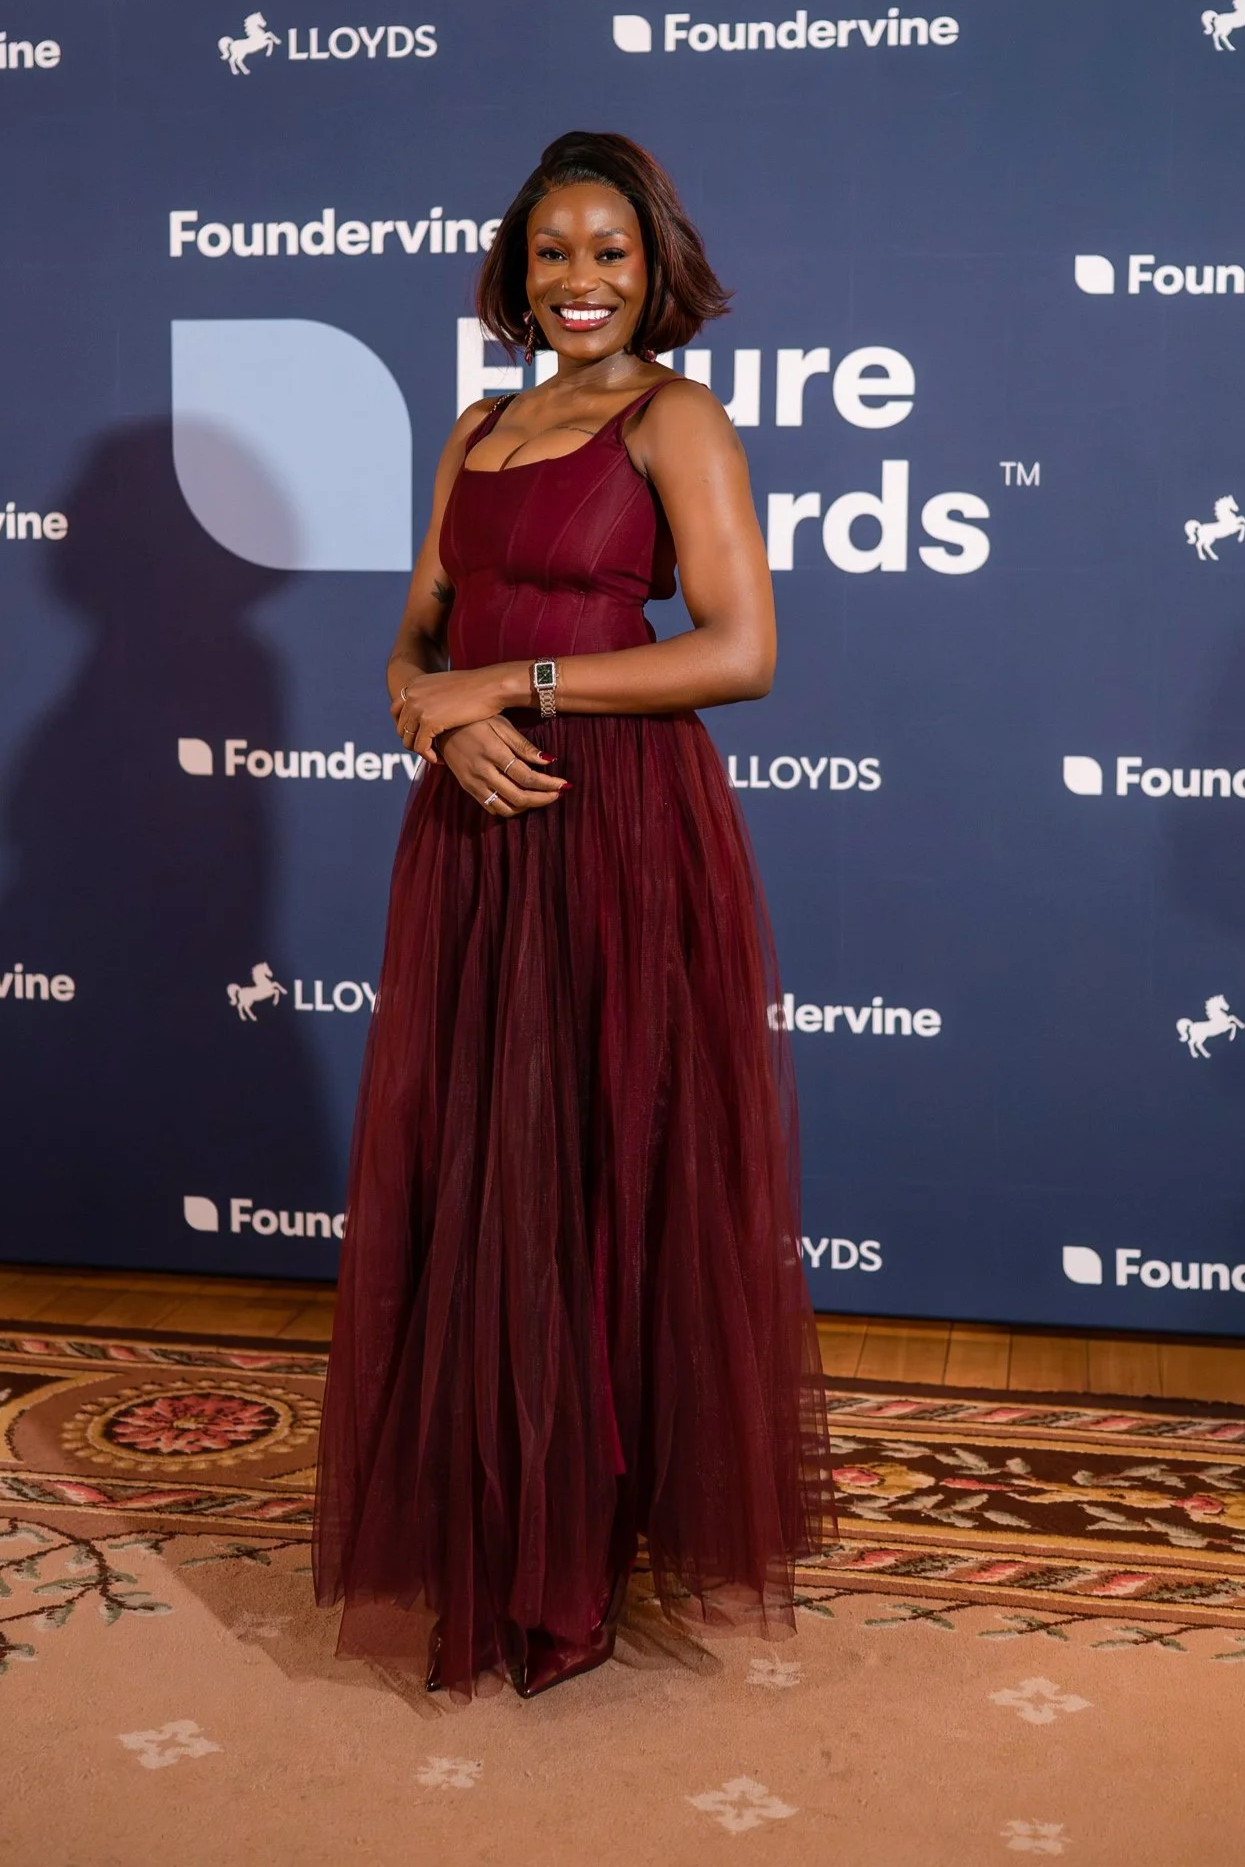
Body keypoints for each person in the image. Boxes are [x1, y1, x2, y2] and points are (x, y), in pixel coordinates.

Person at [313, 129, 832, 1701]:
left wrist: (516, 686)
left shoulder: (678, 417)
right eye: (554, 253)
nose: (582, 280)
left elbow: (740, 651)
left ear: (654, 264)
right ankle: (494, 1525)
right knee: (488, 1172)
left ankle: (588, 1549)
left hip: (617, 829)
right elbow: (412, 640)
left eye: (610, 251)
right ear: (516, 273)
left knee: (608, 1165)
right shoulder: (478, 425)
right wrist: (437, 715)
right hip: (473, 828)